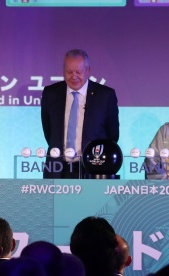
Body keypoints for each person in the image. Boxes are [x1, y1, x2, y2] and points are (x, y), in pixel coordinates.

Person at [41, 49, 119, 179]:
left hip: (93, 169)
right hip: (58, 169)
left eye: (78, 72)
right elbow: (49, 131)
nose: (74, 76)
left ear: (88, 71)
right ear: (63, 71)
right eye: (69, 72)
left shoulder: (105, 95)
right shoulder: (51, 93)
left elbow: (112, 136)